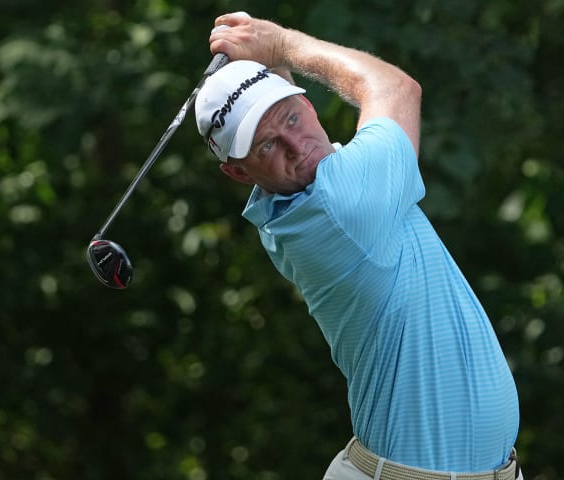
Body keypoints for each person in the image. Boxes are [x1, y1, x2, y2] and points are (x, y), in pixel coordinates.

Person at [195, 12, 522, 480]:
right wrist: (281, 43)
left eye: (292, 117)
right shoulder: (341, 204)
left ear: (306, 104)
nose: (296, 145)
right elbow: (396, 89)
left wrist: (266, 64)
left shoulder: (290, 204)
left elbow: (303, 148)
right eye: (267, 146)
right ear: (239, 172)